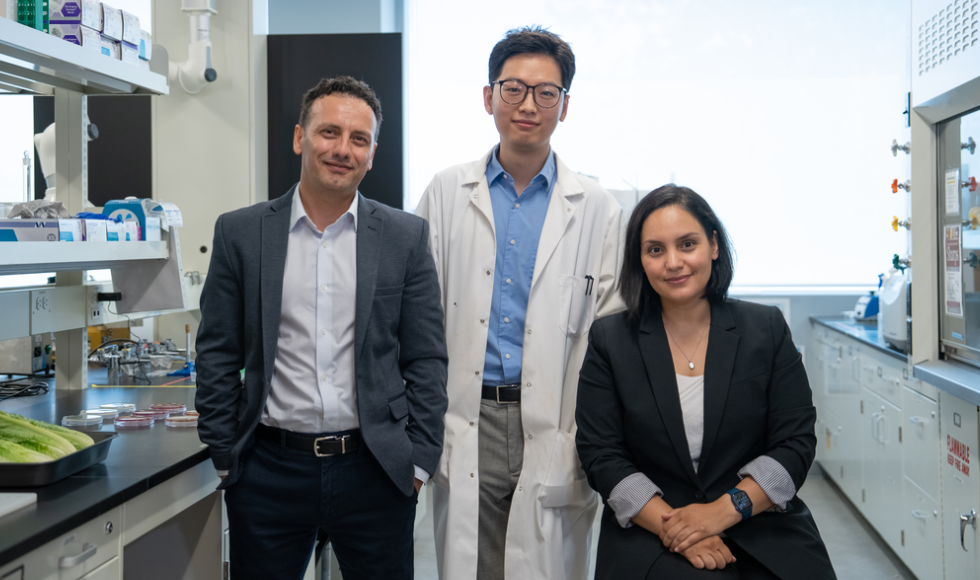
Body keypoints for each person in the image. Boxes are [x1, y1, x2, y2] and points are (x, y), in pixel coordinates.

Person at [194, 75, 448, 580]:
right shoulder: (241, 233)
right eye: (329, 132)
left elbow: (426, 358)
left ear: (373, 153)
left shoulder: (405, 237)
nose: (342, 149)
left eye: (359, 139)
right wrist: (225, 455)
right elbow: (218, 351)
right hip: (269, 470)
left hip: (375, 468)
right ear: (299, 138)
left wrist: (417, 464)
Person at [415, 26, 624, 580]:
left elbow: (610, 331)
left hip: (557, 419)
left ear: (564, 105)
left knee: (548, 566)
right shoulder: (445, 192)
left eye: (545, 92)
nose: (528, 104)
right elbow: (417, 316)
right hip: (468, 413)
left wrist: (590, 434)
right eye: (513, 88)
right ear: (488, 97)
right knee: (477, 566)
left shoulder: (596, 207)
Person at [575, 185, 836, 579]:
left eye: (687, 244)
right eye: (656, 250)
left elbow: (795, 442)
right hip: (653, 526)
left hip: (758, 520)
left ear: (713, 245)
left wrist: (720, 513)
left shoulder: (764, 329)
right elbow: (601, 454)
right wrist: (680, 528)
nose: (674, 262)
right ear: (639, 260)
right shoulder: (611, 340)